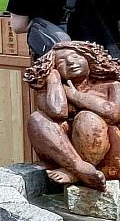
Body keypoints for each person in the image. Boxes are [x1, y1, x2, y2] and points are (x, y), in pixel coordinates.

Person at [24, 41, 120, 190]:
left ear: (90, 59)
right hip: (68, 157)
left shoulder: (112, 85)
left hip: (108, 159)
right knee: (37, 119)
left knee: (87, 118)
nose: (70, 62)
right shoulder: (52, 90)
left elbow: (112, 113)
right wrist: (53, 78)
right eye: (61, 62)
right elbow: (58, 112)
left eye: (76, 57)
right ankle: (78, 167)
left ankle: (78, 172)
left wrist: (75, 96)